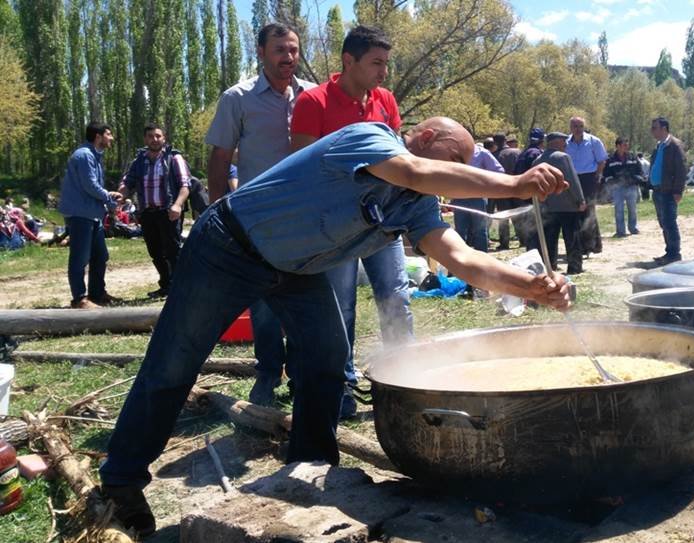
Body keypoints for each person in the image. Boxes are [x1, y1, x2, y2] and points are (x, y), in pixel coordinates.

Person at [97, 118, 571, 538]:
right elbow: (415, 171)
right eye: (456, 160)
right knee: (174, 364)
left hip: (297, 270)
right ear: (424, 137)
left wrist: (532, 287)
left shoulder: (417, 205)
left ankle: (310, 462)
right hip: (228, 246)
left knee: (326, 360)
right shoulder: (367, 138)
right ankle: (121, 481)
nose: (457, 177)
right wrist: (513, 182)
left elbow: (462, 258)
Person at [290, 25, 412, 419]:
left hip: (383, 222)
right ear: (349, 61)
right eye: (376, 63)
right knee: (340, 308)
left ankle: (406, 380)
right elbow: (304, 170)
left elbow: (399, 159)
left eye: (386, 64)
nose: (383, 72)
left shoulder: (385, 101)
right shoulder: (313, 102)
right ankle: (342, 387)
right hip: (336, 226)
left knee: (396, 296)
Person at [205, 22, 317, 405]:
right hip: (259, 216)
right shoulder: (237, 98)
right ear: (261, 53)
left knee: (306, 294)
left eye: (294, 50)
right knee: (264, 299)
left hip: (306, 215)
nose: (288, 58)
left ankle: (303, 373)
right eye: (280, 50)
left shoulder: (311, 96)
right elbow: (220, 158)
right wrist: (216, 213)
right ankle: (268, 372)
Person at [118, 124, 191, 298]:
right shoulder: (139, 161)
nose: (155, 139)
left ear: (164, 138)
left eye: (158, 136)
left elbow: (185, 186)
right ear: (145, 139)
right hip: (148, 213)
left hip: (168, 212)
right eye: (150, 136)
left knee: (173, 251)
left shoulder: (174, 158)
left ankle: (180, 288)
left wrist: (178, 205)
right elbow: (128, 182)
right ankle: (166, 285)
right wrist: (120, 195)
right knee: (155, 252)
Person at [58, 122, 123, 309]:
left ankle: (97, 293)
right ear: (98, 136)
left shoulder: (93, 156)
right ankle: (79, 299)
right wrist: (110, 198)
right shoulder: (85, 156)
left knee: (100, 255)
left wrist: (109, 202)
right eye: (109, 134)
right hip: (80, 215)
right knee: (79, 258)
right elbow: (90, 186)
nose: (111, 138)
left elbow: (92, 187)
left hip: (92, 215)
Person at [533, 132, 586, 274]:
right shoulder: (563, 157)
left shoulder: (537, 160)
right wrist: (580, 199)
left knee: (550, 239)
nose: (566, 144)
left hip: (547, 205)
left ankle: (551, 266)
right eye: (564, 141)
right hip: (567, 205)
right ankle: (575, 267)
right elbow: (571, 180)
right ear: (556, 142)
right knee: (572, 237)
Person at [648, 117, 687, 266]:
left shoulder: (674, 145)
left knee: (670, 223)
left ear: (664, 128)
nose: (652, 131)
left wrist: (678, 191)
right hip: (658, 190)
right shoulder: (659, 146)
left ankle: (674, 254)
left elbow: (681, 170)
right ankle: (669, 252)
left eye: (654, 128)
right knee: (664, 223)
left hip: (669, 192)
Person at [566, 117, 608, 255]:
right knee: (575, 211)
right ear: (570, 127)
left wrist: (597, 176)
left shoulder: (593, 141)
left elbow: (602, 161)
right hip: (573, 179)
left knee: (589, 211)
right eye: (575, 126)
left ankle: (592, 245)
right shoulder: (566, 142)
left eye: (580, 126)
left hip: (589, 178)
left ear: (584, 127)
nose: (578, 129)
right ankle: (580, 244)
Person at [452, 142, 504, 252]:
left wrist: (485, 184)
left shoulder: (482, 153)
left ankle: (482, 260)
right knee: (460, 231)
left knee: (480, 230)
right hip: (458, 197)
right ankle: (460, 260)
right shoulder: (453, 153)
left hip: (477, 197)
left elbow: (498, 170)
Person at [603, 137, 644, 237]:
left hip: (631, 187)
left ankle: (633, 228)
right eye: (624, 145)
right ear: (618, 146)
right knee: (619, 210)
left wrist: (639, 179)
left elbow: (639, 170)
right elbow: (606, 174)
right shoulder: (610, 159)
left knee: (632, 209)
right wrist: (612, 183)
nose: (627, 147)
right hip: (617, 188)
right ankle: (620, 232)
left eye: (627, 144)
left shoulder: (633, 157)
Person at [490, 133, 522, 250]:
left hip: (502, 189)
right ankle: (523, 239)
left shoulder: (493, 155)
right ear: (505, 140)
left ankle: (504, 242)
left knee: (503, 217)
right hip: (518, 188)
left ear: (495, 142)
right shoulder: (517, 152)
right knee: (518, 215)